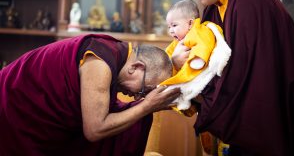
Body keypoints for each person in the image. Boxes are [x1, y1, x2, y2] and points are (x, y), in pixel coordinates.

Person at [171, 0, 294, 156]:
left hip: (270, 121)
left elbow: (248, 79)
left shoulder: (253, 2)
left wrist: (193, 87)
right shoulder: (216, 5)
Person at [0, 34, 181, 155]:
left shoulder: (117, 55)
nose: (136, 97)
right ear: (136, 67)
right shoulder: (99, 63)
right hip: (11, 106)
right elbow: (94, 130)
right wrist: (147, 105)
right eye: (143, 90)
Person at [161, 0, 231, 111]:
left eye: (174, 25)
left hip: (199, 69)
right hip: (187, 75)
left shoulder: (199, 31)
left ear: (190, 23)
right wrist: (167, 61)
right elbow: (168, 53)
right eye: (169, 27)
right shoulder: (176, 42)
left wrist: (198, 59)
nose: (171, 31)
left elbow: (204, 44)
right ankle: (183, 100)